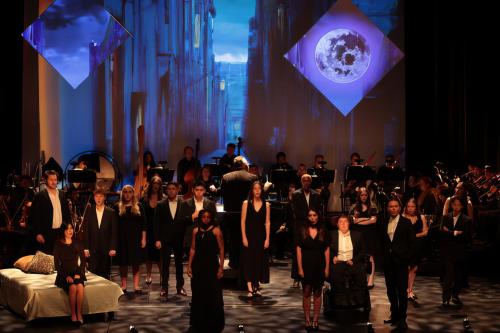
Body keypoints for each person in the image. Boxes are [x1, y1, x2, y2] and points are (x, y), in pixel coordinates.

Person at [380, 198, 416, 331]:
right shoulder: (383, 222)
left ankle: (402, 318)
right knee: (390, 290)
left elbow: (412, 243)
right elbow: (382, 241)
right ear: (388, 208)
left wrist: (407, 259)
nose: (393, 208)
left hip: (401, 262)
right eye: (391, 206)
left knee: (402, 291)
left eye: (395, 206)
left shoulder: (406, 223)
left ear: (400, 208)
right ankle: (394, 314)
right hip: (388, 262)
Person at [187, 210, 225, 333]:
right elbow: (192, 249)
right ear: (200, 218)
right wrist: (189, 265)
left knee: (213, 293)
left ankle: (214, 322)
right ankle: (199, 322)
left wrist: (221, 267)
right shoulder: (195, 231)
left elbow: (221, 249)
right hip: (198, 266)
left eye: (208, 217)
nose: (206, 219)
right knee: (198, 293)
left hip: (212, 267)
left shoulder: (216, 231)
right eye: (203, 217)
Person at [220, 156, 258, 269]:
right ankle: (245, 262)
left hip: (231, 213)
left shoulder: (226, 177)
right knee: (246, 238)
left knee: (233, 238)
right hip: (248, 213)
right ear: (243, 165)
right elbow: (256, 195)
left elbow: (223, 194)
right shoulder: (253, 177)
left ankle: (233, 262)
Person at [296, 208, 330, 331]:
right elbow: (298, 250)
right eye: (310, 215)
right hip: (306, 264)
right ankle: (307, 318)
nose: (312, 218)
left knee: (317, 292)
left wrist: (327, 267)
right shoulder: (302, 230)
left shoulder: (323, 230)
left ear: (318, 216)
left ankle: (315, 318)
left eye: (314, 215)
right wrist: (299, 268)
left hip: (319, 264)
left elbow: (327, 249)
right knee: (306, 291)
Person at [154, 182, 186, 298]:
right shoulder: (161, 204)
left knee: (179, 264)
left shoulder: (184, 203)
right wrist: (157, 239)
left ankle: (180, 287)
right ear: (166, 191)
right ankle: (164, 287)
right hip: (165, 239)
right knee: (165, 264)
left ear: (177, 190)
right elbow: (156, 224)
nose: (171, 191)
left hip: (179, 238)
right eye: (169, 189)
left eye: (174, 189)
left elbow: (186, 222)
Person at [440, 196, 472, 307]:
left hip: (460, 252)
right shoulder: (446, 217)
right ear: (451, 205)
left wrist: (449, 232)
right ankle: (445, 298)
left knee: (458, 276)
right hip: (448, 251)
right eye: (454, 204)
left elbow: (467, 237)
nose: (456, 207)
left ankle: (455, 295)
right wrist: (455, 233)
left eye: (458, 205)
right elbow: (441, 234)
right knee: (448, 275)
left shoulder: (467, 220)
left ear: (462, 206)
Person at [290, 174, 321, 288]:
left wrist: (313, 221)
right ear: (301, 182)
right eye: (304, 180)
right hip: (300, 227)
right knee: (297, 252)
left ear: (311, 182)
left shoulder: (316, 195)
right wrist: (309, 217)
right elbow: (296, 211)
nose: (306, 182)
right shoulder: (296, 194)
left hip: (313, 226)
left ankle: (312, 276)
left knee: (312, 252)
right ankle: (296, 278)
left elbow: (317, 211)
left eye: (308, 180)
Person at [330, 215, 367, 308]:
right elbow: (326, 249)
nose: (343, 224)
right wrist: (333, 257)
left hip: (352, 262)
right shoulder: (331, 235)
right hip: (338, 262)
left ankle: (358, 300)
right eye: (340, 222)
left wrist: (354, 260)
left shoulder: (357, 234)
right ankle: (339, 301)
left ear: (349, 223)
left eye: (345, 221)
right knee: (336, 274)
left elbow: (363, 251)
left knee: (359, 273)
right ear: (337, 224)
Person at [115, 185, 147, 294]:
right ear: (122, 194)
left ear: (133, 193)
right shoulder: (117, 207)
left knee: (135, 263)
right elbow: (115, 226)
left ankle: (136, 285)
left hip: (135, 239)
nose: (128, 194)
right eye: (125, 192)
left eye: (130, 192)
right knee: (123, 262)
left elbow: (144, 225)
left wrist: (143, 239)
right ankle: (123, 285)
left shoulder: (139, 206)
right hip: (122, 239)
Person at [241, 181, 270, 297]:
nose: (257, 191)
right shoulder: (246, 203)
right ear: (252, 190)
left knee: (259, 260)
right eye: (255, 189)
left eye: (259, 188)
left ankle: (256, 285)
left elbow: (267, 222)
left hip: (260, 235)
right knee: (249, 260)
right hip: (249, 235)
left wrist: (267, 238)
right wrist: (244, 237)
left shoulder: (266, 204)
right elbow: (242, 221)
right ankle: (249, 287)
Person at [31, 170, 71, 254]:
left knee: (61, 256)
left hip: (61, 231)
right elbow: (35, 216)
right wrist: (38, 233)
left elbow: (67, 214)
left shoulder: (63, 194)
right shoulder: (40, 196)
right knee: (48, 258)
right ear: (46, 180)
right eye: (51, 180)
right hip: (47, 233)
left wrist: (69, 228)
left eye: (55, 180)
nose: (53, 182)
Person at [53, 223, 86, 325]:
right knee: (72, 287)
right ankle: (73, 315)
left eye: (71, 228)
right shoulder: (58, 244)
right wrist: (66, 276)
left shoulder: (77, 242)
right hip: (64, 274)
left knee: (80, 286)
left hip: (76, 273)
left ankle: (79, 314)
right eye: (67, 229)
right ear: (63, 231)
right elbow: (57, 265)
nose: (70, 231)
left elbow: (83, 261)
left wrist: (79, 274)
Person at [83, 189, 118, 279]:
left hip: (106, 249)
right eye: (96, 196)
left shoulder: (111, 212)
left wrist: (113, 247)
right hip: (92, 248)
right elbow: (86, 230)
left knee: (104, 273)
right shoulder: (89, 211)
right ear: (94, 198)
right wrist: (86, 247)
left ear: (104, 198)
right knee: (92, 273)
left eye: (101, 196)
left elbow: (114, 232)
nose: (98, 199)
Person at [349, 187, 378, 288]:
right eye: (362, 195)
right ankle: (360, 278)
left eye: (365, 195)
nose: (364, 197)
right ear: (359, 196)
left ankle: (371, 279)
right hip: (357, 235)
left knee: (370, 257)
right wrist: (367, 219)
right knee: (358, 256)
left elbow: (373, 221)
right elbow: (353, 221)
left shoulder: (373, 207)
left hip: (369, 234)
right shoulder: (354, 207)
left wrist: (360, 220)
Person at [179, 181, 217, 255]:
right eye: (197, 190)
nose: (199, 192)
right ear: (193, 190)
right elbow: (180, 221)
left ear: (204, 191)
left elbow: (216, 220)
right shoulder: (185, 204)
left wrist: (207, 220)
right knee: (192, 263)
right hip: (190, 238)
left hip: (207, 237)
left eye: (201, 190)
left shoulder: (211, 204)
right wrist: (192, 217)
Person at [402, 198, 428, 301]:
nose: (410, 208)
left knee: (414, 268)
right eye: (408, 206)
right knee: (406, 268)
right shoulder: (403, 217)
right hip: (405, 246)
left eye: (412, 206)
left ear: (416, 207)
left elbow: (425, 232)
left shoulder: (421, 217)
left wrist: (414, 236)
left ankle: (410, 290)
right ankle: (404, 289)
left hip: (417, 246)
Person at [139, 176, 163, 285]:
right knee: (148, 255)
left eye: (158, 183)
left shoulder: (163, 199)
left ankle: (163, 275)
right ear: (151, 184)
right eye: (154, 183)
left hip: (159, 230)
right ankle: (148, 275)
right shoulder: (144, 199)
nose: (156, 186)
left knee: (159, 256)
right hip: (147, 230)